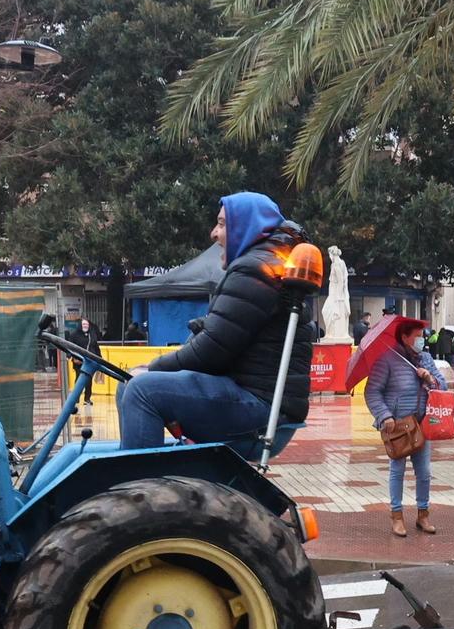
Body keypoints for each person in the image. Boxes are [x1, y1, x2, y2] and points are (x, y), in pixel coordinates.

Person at [117, 193, 313, 451]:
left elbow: (212, 351)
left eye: (222, 224)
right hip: (258, 398)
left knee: (142, 389)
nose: (213, 233)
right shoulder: (263, 266)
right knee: (127, 383)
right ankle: (142, 474)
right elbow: (224, 339)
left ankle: (141, 487)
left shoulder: (254, 271)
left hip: (260, 406)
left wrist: (152, 369)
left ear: (247, 227)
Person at [366, 320, 447, 537]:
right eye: (418, 336)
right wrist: (385, 416)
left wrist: (429, 378)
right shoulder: (387, 360)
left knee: (424, 473)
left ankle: (423, 515)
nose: (422, 339)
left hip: (421, 425)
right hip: (399, 427)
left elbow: (443, 386)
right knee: (397, 471)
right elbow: (372, 391)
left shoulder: (425, 359)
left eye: (423, 335)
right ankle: (397, 516)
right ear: (404, 337)